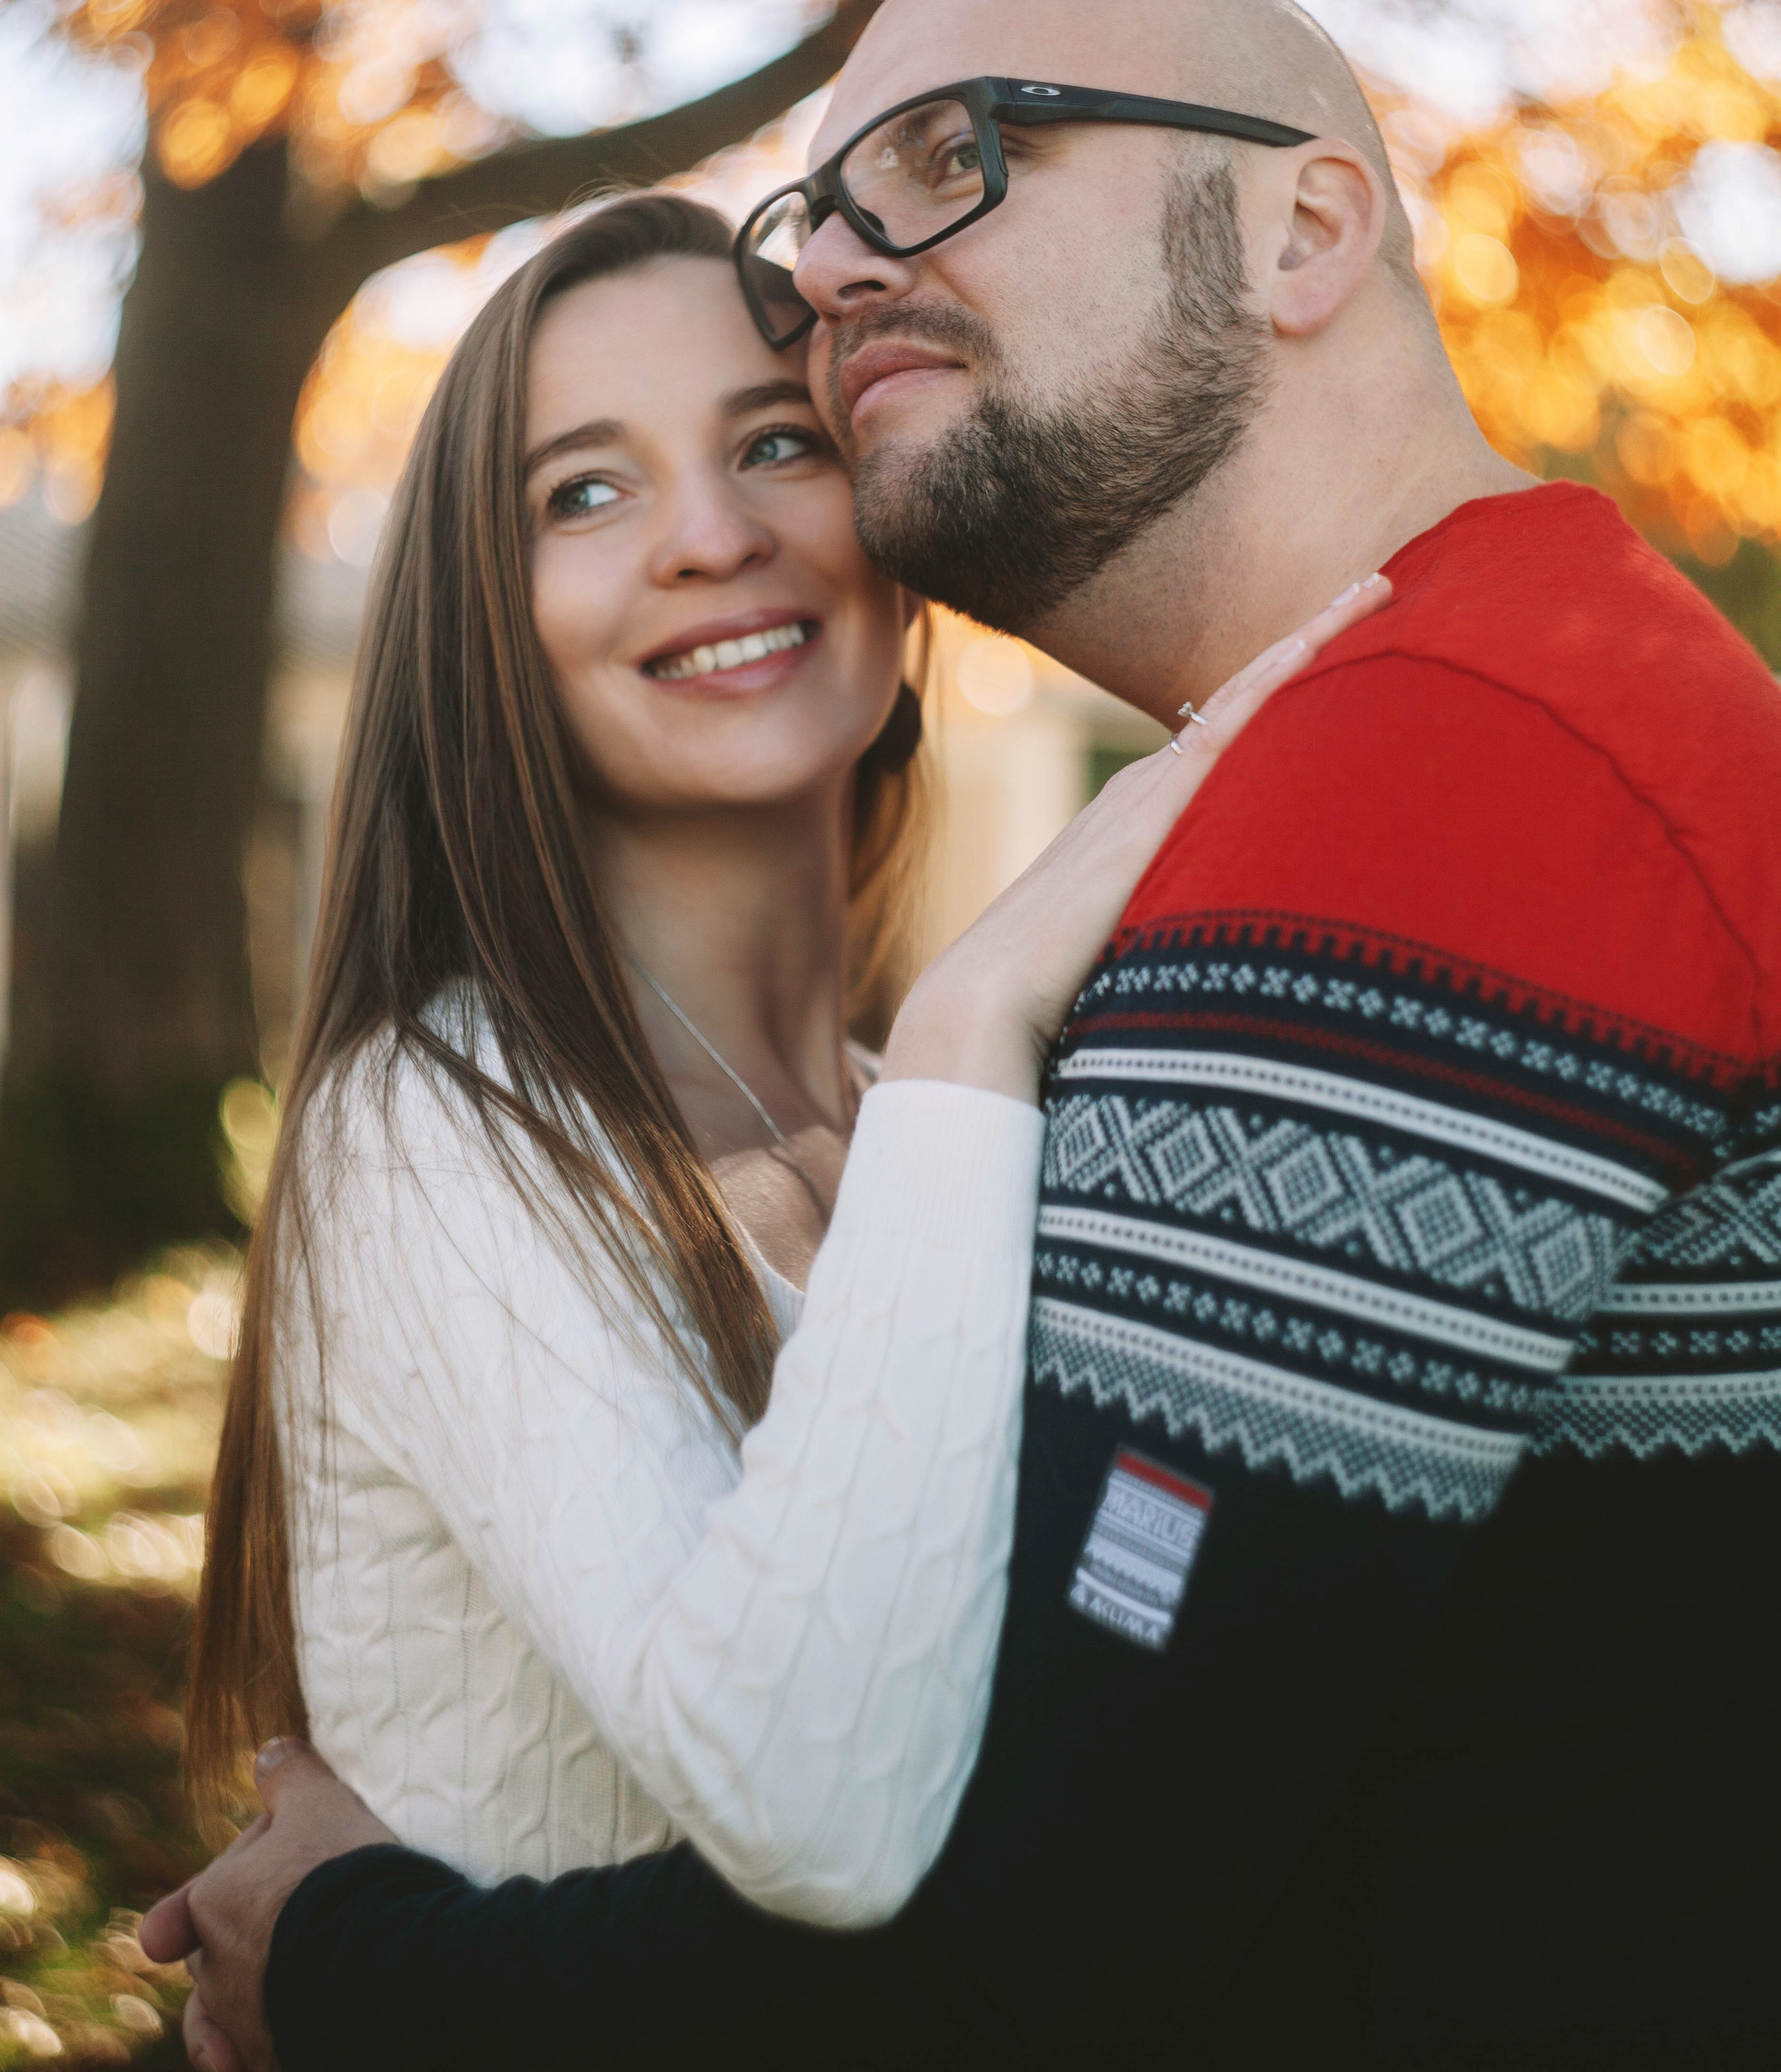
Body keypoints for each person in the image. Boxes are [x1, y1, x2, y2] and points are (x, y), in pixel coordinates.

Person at [149, 0, 1781, 2072]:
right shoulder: (1395, 750)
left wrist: (360, 1966)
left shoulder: (1444, 768)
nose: (833, 274)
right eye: (815, 214)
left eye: (951, 154)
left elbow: (1051, 1923)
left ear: (1302, 229)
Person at [170, 181, 1368, 1992]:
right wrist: (980, 1028)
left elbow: (1142, 1741)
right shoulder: (440, 1126)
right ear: (485, 617)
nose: (710, 536)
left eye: (780, 444)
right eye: (586, 490)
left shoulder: (935, 1124)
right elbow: (824, 1817)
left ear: (894, 527)